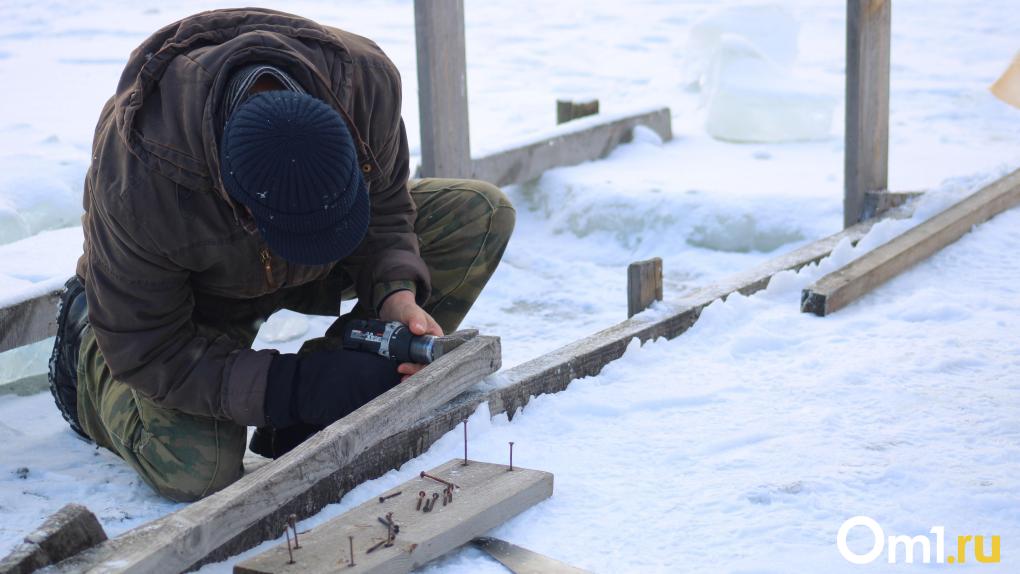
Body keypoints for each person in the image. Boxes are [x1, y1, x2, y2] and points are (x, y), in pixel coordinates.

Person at [46, 8, 515, 502]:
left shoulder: (364, 84)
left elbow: (389, 212)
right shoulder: (140, 179)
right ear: (242, 207)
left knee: (481, 214)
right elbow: (150, 349)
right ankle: (88, 363)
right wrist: (289, 390)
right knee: (196, 472)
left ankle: (322, 409)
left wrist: (396, 294)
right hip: (185, 303)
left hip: (298, 264)